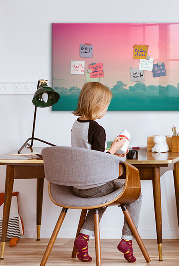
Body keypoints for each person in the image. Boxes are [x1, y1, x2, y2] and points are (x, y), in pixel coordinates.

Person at [71, 82, 141, 263]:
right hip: (94, 186)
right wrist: (116, 148)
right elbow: (99, 161)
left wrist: (110, 150)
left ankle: (83, 238)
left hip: (77, 186)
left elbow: (88, 154)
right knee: (136, 194)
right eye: (106, 106)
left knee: (101, 197)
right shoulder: (97, 129)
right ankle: (127, 240)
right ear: (97, 105)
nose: (106, 110)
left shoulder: (76, 125)